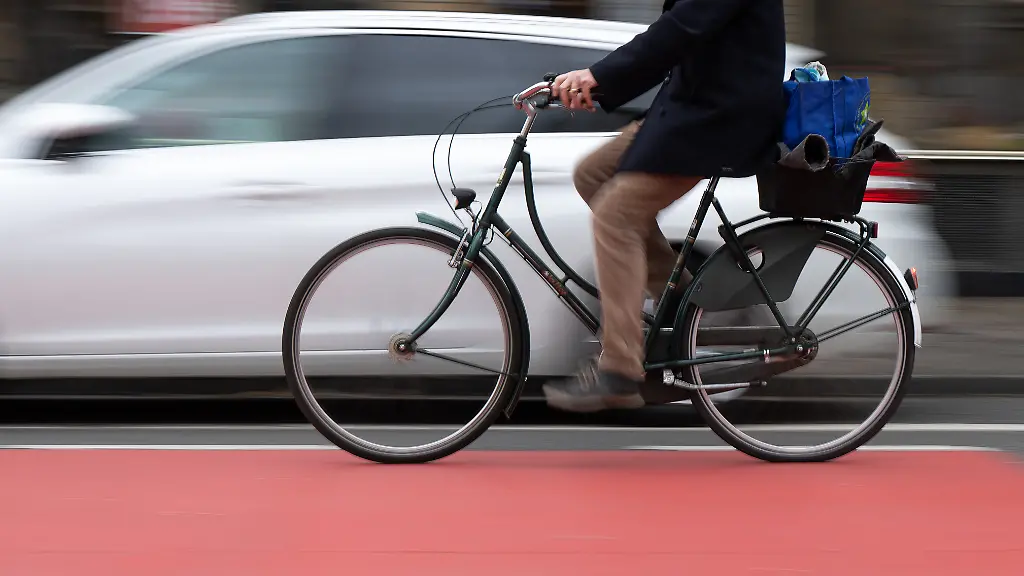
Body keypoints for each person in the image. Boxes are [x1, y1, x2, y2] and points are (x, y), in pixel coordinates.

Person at [541, 0, 787, 413]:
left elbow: (681, 29)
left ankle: (619, 368)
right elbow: (674, 40)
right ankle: (677, 294)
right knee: (592, 175)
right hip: (688, 109)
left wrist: (598, 75)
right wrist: (594, 84)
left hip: (718, 119)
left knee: (616, 214)